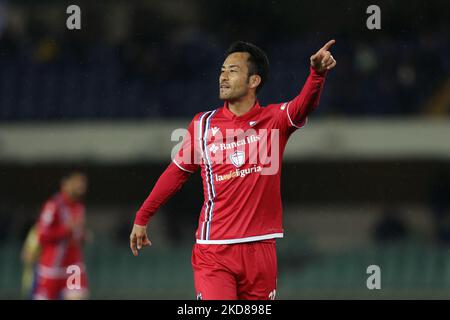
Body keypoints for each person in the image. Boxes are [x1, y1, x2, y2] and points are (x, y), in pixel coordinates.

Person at [130, 40, 337, 300]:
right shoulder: (203, 125)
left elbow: (304, 104)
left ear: (254, 81)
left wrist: (317, 74)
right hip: (215, 249)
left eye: (233, 70)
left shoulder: (273, 121)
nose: (223, 76)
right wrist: (142, 216)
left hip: (261, 248)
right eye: (222, 70)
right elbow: (176, 172)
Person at [33, 172, 89, 300]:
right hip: (52, 268)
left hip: (72, 267)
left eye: (83, 183)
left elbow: (76, 235)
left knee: (78, 296)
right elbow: (42, 235)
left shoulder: (79, 207)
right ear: (65, 184)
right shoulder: (53, 206)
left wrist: (82, 236)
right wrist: (66, 230)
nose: (81, 186)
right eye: (76, 182)